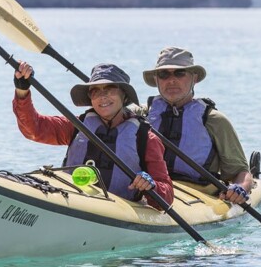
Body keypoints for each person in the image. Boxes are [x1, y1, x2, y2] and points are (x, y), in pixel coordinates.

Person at [13, 62, 174, 208]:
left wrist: (150, 185)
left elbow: (166, 197)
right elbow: (33, 129)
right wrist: (22, 90)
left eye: (110, 89)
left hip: (119, 209)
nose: (103, 96)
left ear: (124, 95)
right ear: (90, 97)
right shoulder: (77, 125)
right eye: (95, 91)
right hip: (74, 201)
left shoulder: (147, 138)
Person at [142, 46, 253, 205]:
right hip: (151, 188)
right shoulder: (140, 116)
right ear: (156, 79)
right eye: (164, 74)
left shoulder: (215, 120)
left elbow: (241, 172)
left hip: (198, 195)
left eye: (180, 73)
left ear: (194, 78)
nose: (171, 80)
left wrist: (240, 188)